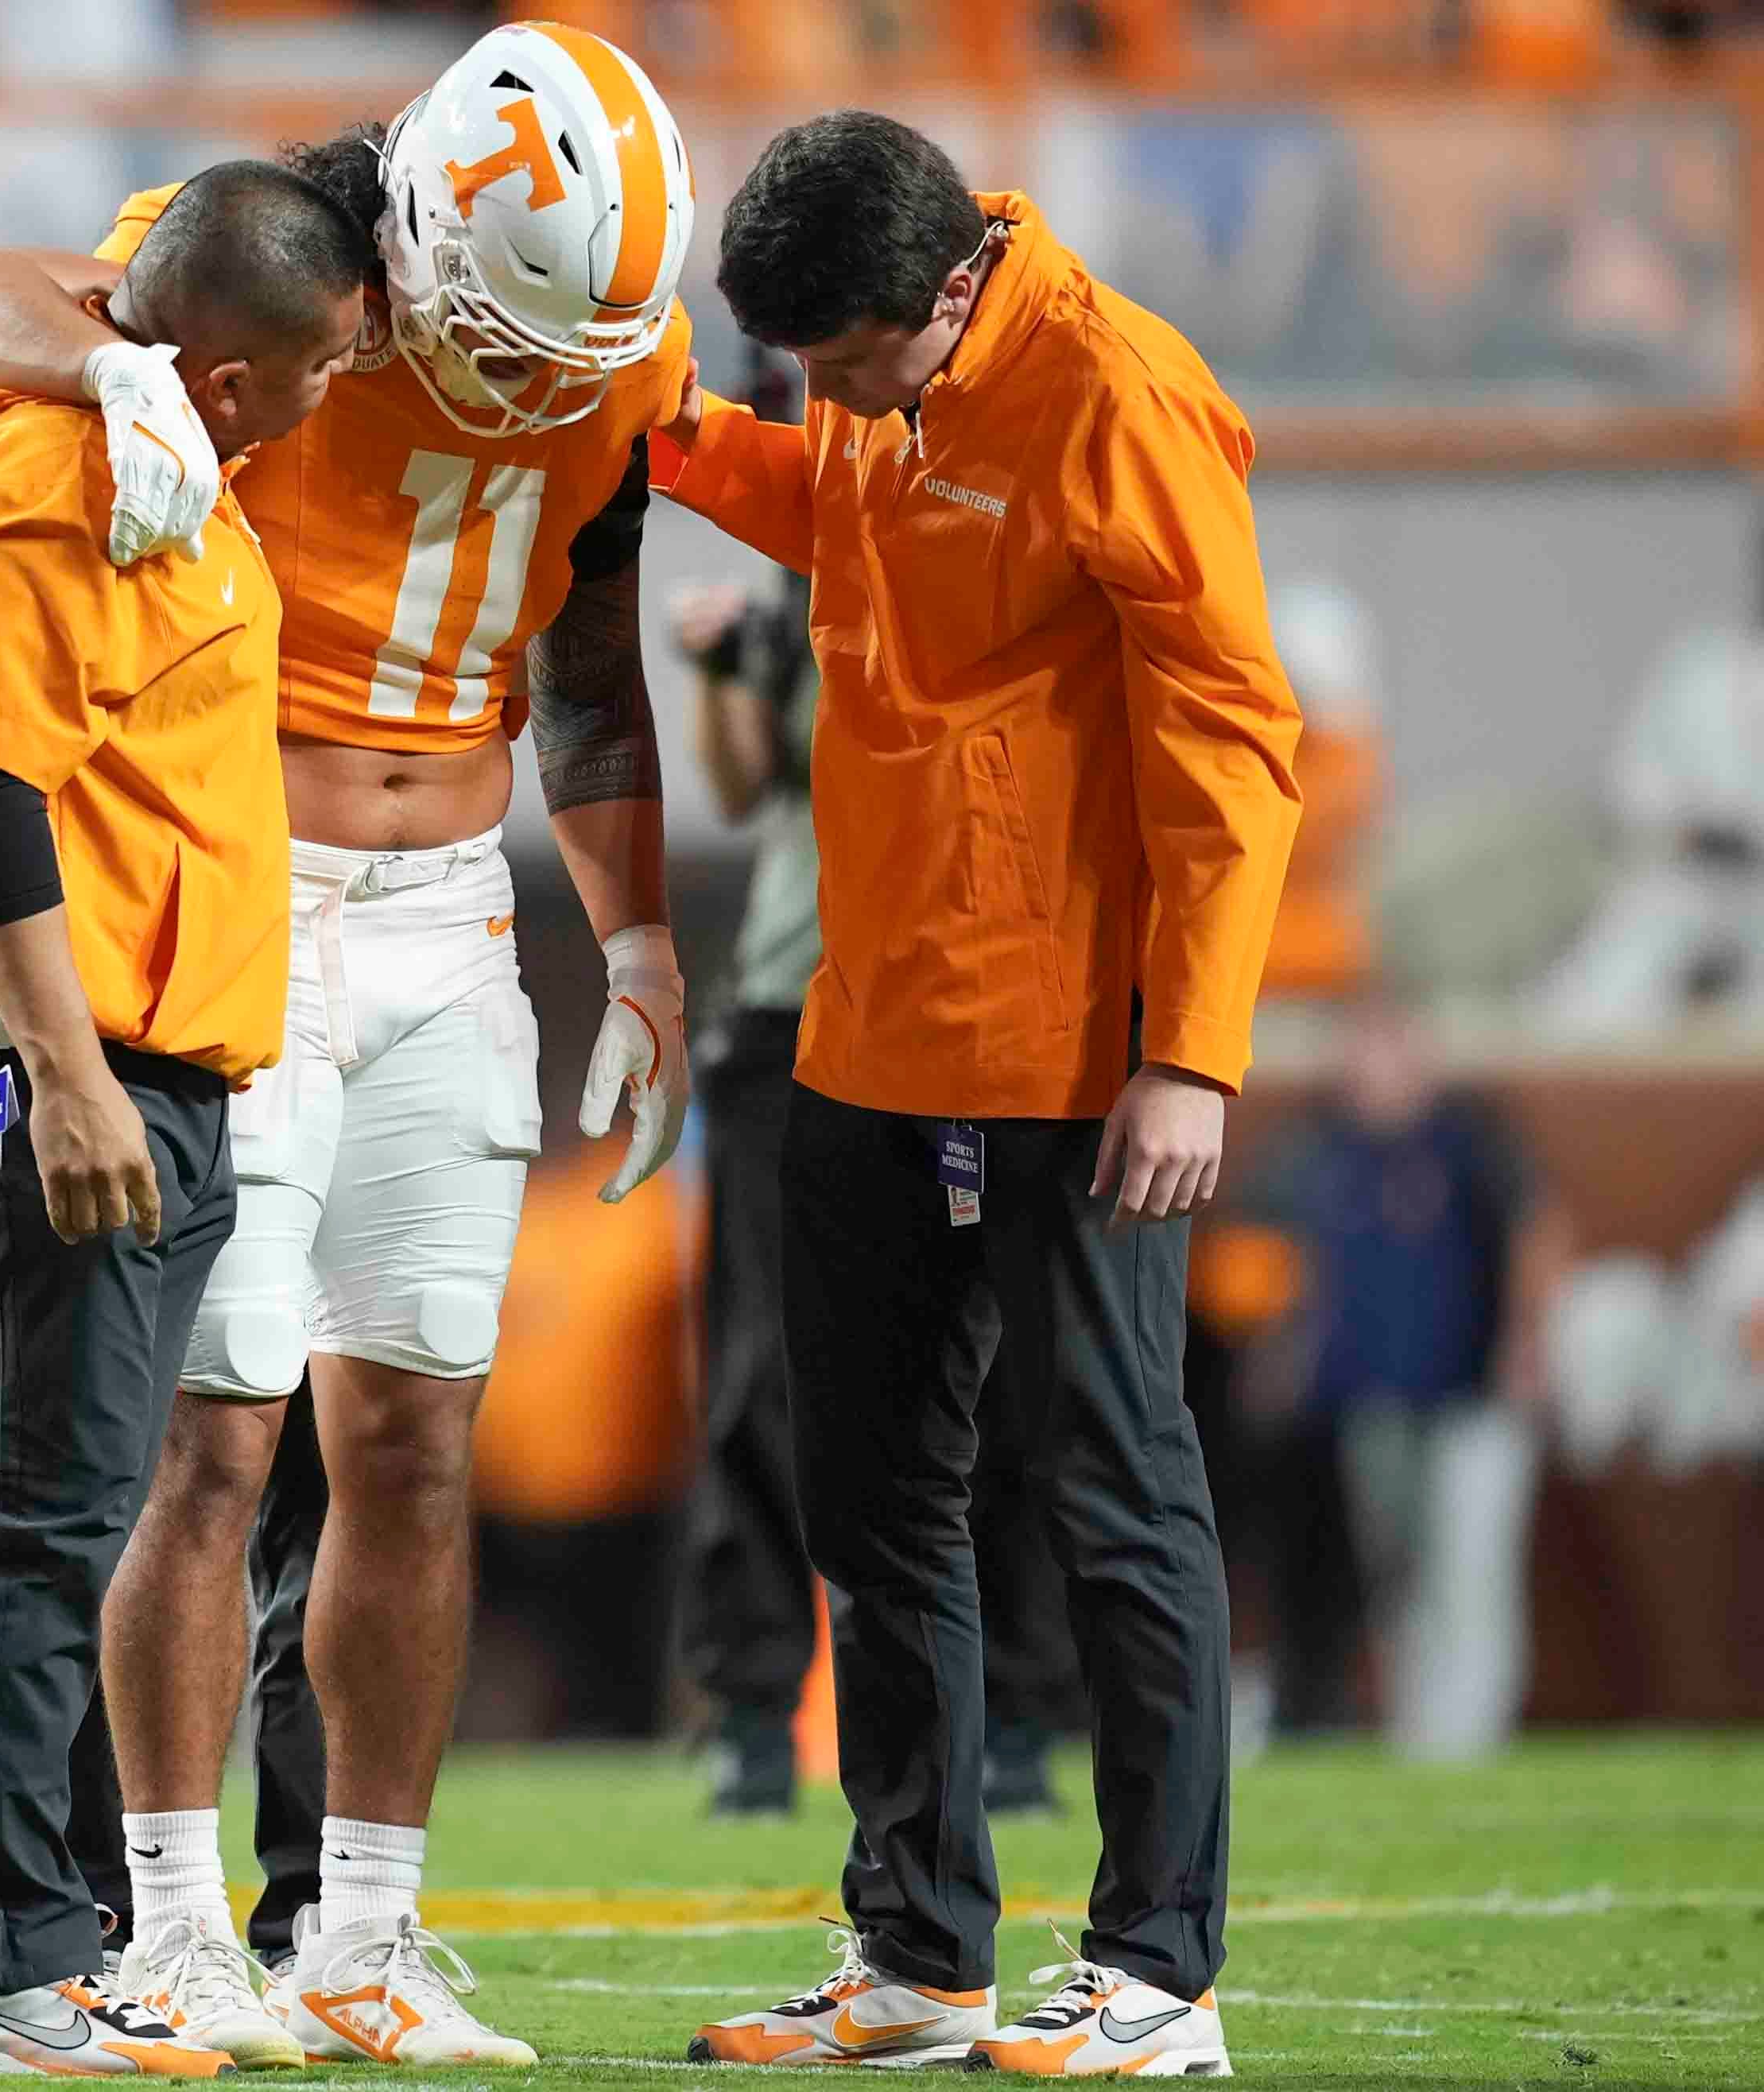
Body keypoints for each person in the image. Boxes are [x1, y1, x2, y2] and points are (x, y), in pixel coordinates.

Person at [0, 23, 696, 2062]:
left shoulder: (609, 354)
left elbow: (589, 663)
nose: (536, 385)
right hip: (249, 906)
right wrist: (112, 372)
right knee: (210, 1436)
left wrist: (642, 943)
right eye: (501, 330)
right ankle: (161, 1924)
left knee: (416, 1436)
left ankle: (358, 1933)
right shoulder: (259, 261)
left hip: (460, 916)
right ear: (416, 233)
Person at [653, 113, 1301, 2075]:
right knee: (867, 1502)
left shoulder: (1119, 393)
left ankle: (1158, 1978)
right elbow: (853, 515)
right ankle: (921, 1955)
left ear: (943, 292)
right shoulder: (895, 364)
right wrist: (673, 437)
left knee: (1113, 1497)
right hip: (871, 1029)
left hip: (1077, 1044)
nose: (824, 401)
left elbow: (1233, 734)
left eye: (839, 364)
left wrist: (1187, 1051)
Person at [0, 158, 367, 2079]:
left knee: (31, 1514)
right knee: (42, 1526)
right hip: (41, 1054)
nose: (329, 400)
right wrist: (58, 1074)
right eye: (310, 372)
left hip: (140, 1050)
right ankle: (15, 1978)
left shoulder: (155, 432)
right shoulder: (53, 483)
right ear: (221, 379)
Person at [667, 440, 1081, 1820]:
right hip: (794, 1012)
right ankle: (748, 1700)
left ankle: (1014, 1701)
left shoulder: (999, 552)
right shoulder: (805, 580)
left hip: (959, 1015)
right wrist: (725, 668)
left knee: (993, 1361)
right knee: (759, 1363)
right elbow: (740, 790)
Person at [1256, 992, 1561, 1763]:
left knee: (1471, 1564)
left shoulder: (1470, 1139)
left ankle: (1471, 1734)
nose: (1372, 1067)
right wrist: (1286, 1343)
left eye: (1388, 1047)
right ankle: (1418, 1733)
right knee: (1395, 1570)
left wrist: (1525, 1340)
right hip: (1370, 1400)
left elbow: (1539, 1228)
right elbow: (1271, 1253)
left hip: (1473, 1397)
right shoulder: (1318, 1151)